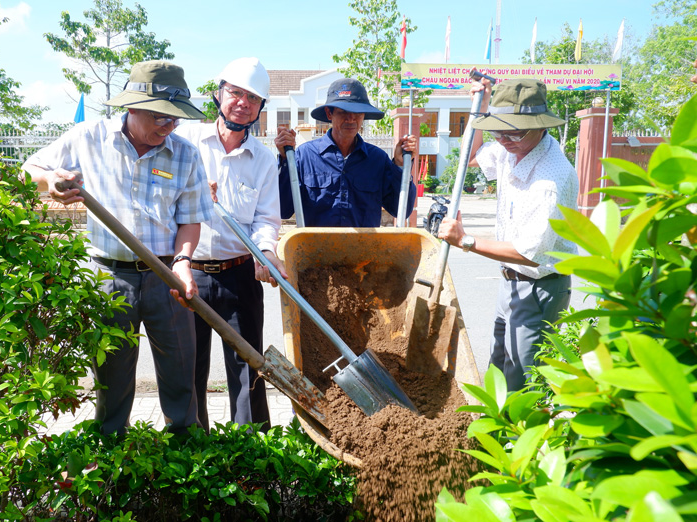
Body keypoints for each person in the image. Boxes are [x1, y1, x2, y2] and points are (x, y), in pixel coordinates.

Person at [22, 60, 213, 435]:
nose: (168, 125)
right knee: (112, 379)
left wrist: (184, 262)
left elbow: (190, 219)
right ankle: (112, 458)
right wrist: (50, 180)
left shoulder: (186, 154)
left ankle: (187, 460)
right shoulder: (88, 137)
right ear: (132, 106)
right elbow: (28, 170)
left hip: (165, 276)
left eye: (175, 119)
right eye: (161, 116)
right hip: (108, 279)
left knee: (180, 375)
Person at [438, 75, 579, 392]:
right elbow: (471, 157)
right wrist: (480, 109)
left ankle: (519, 439)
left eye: (512, 132)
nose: (503, 139)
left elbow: (528, 253)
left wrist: (466, 241)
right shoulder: (511, 148)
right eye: (497, 131)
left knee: (521, 383)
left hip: (538, 288)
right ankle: (495, 435)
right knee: (498, 373)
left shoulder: (552, 178)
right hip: (510, 283)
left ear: (541, 126)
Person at [174, 57, 286, 432]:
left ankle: (251, 457)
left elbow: (267, 219)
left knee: (248, 371)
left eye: (253, 98)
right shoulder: (185, 141)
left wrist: (266, 252)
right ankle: (194, 455)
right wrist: (190, 193)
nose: (242, 102)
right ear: (219, 95)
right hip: (187, 275)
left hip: (240, 276)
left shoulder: (264, 159)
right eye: (235, 93)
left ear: (260, 109)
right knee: (188, 370)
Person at [275, 78, 418, 227]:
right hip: (314, 249)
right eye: (343, 112)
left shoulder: (378, 159)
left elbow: (400, 209)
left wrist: (400, 166)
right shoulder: (305, 156)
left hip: (365, 249)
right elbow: (283, 210)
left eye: (357, 113)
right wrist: (285, 160)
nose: (351, 119)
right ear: (329, 114)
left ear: (364, 115)